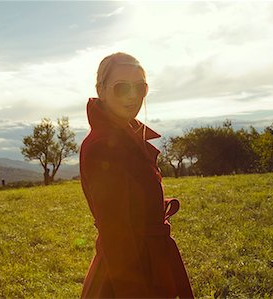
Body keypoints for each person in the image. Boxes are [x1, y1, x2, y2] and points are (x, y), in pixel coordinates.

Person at [79, 52, 194, 298]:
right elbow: (116, 235)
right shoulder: (102, 147)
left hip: (151, 261)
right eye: (122, 88)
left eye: (140, 87)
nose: (133, 96)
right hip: (131, 275)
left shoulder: (126, 135)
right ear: (101, 90)